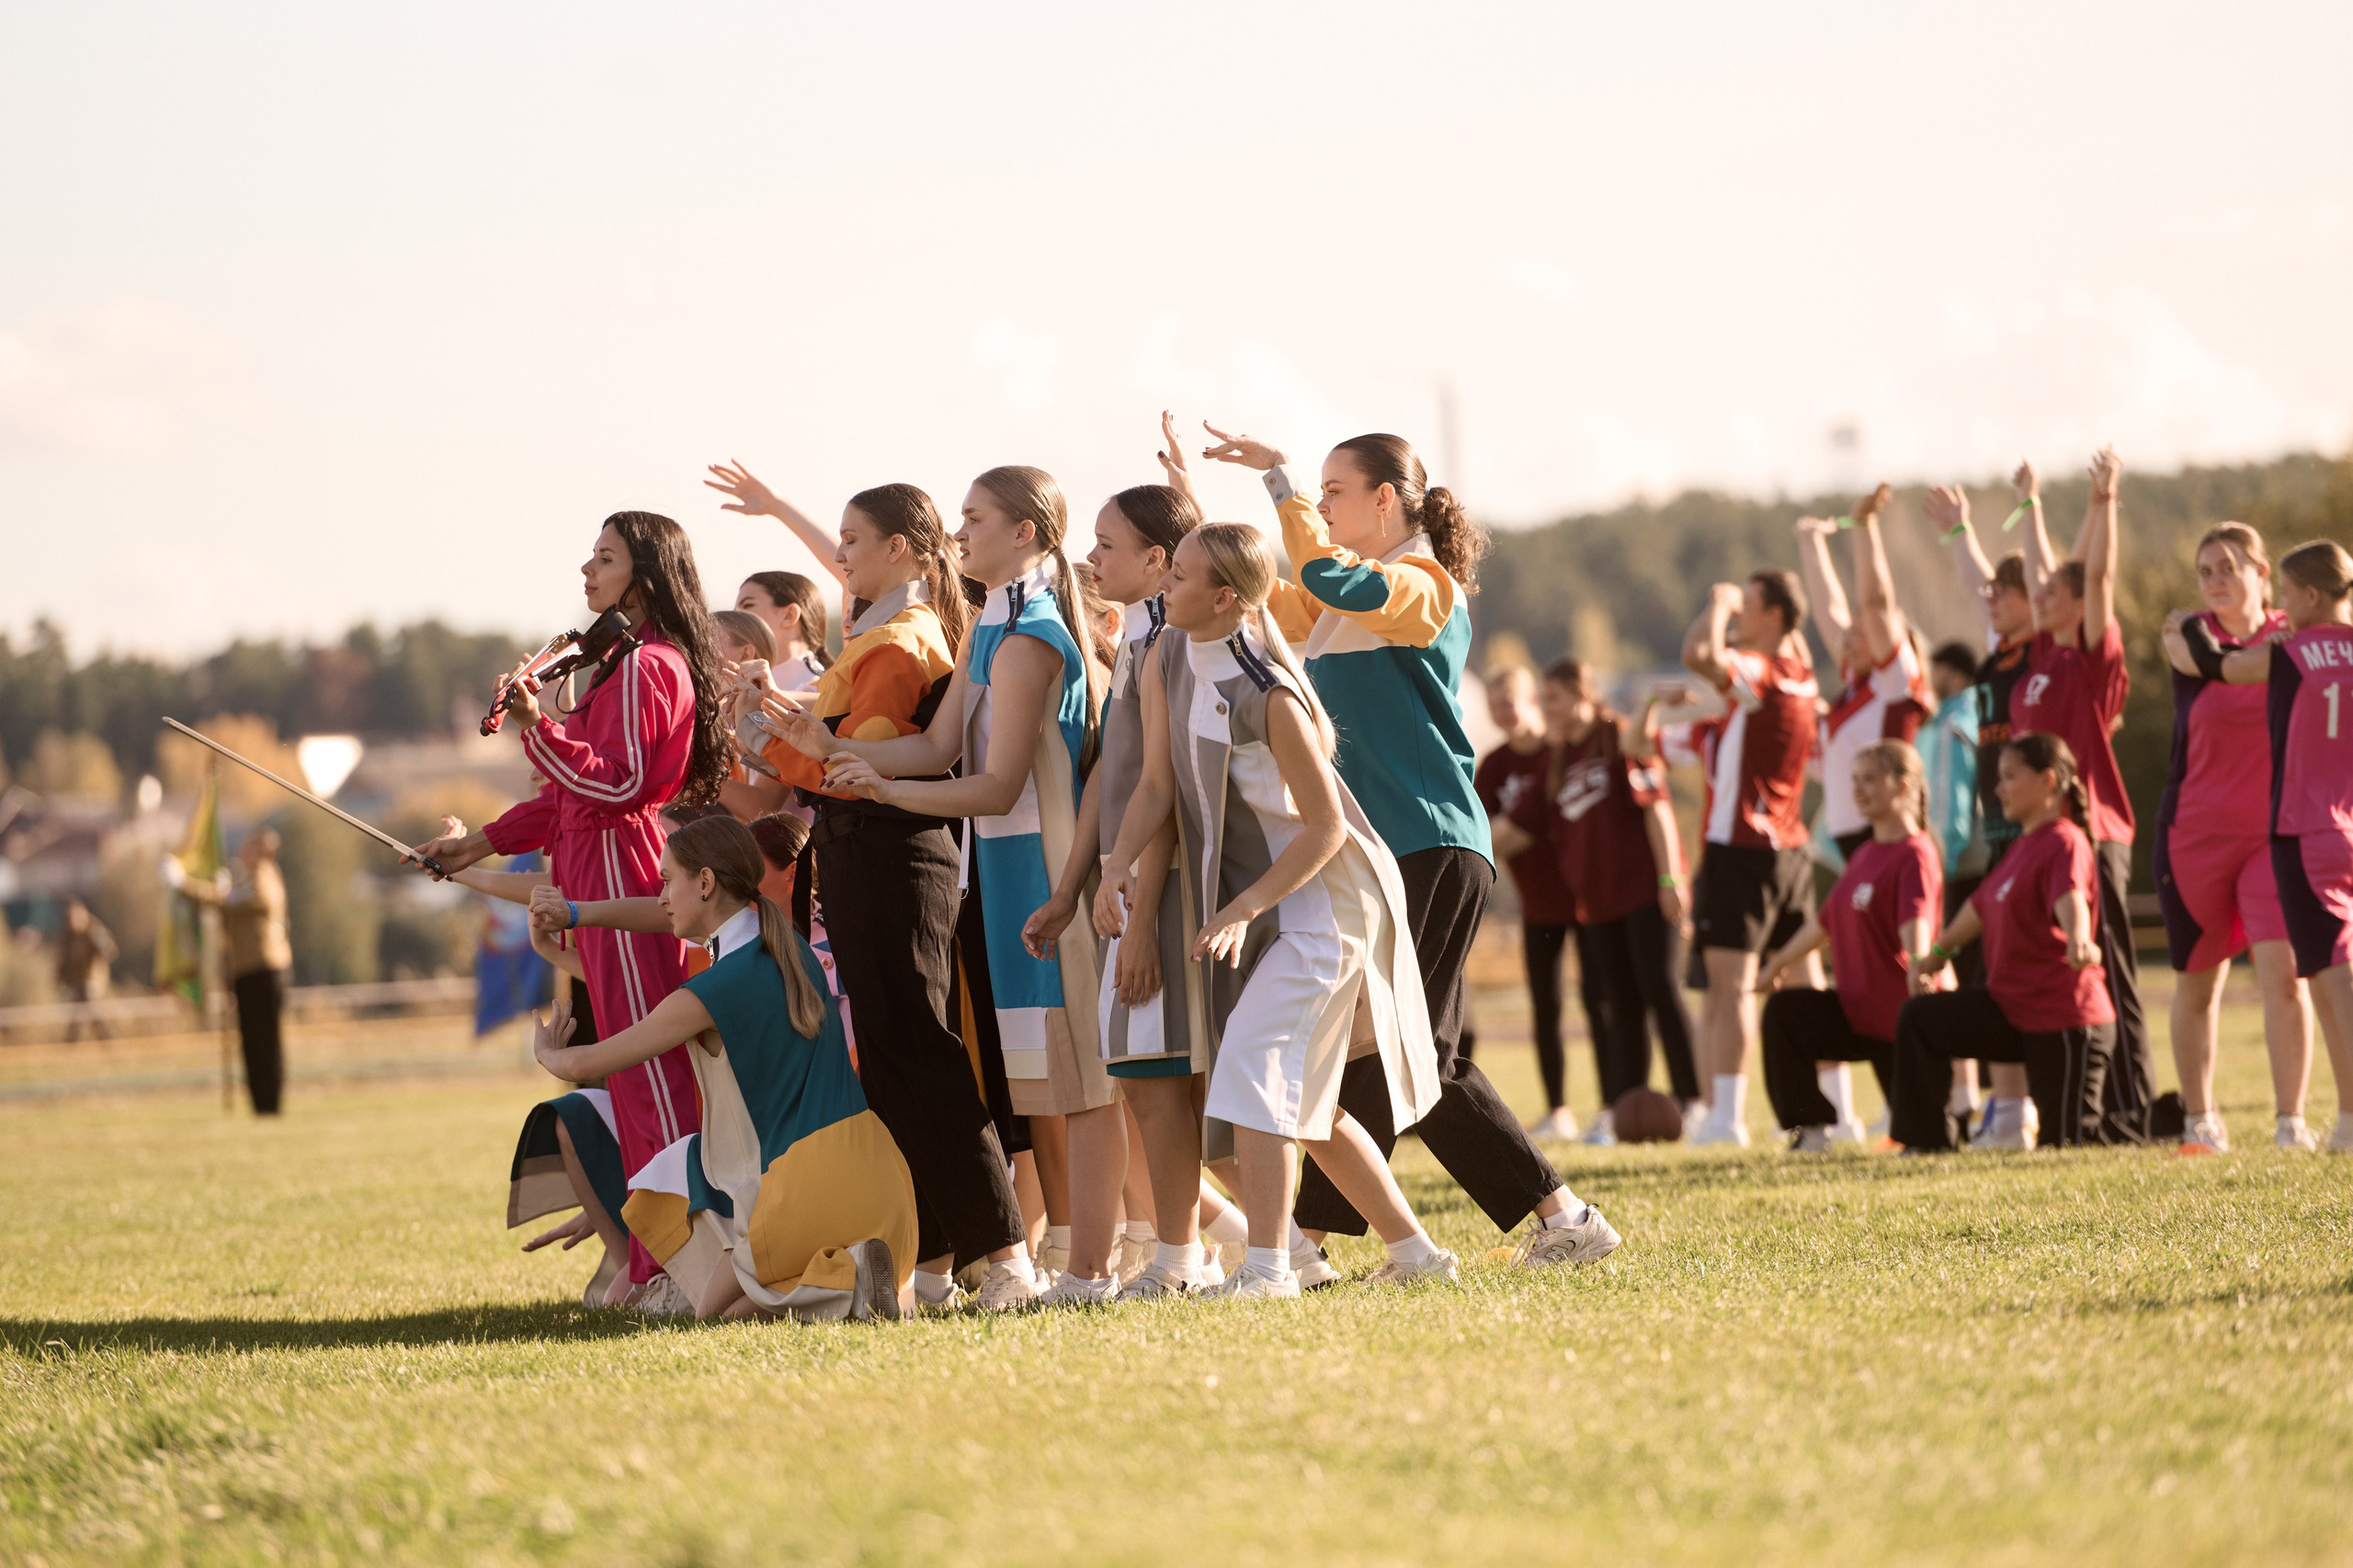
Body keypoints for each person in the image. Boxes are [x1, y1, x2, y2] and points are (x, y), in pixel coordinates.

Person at [1197, 425, 1604, 1270]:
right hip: (1391, 858)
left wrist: (1277, 483)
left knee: (1421, 1054)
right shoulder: (1353, 594)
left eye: (1333, 491)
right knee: (1395, 1053)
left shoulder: (1425, 585)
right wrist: (1193, 534)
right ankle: (1322, 1242)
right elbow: (1261, 604)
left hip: (1432, 842)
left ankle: (1556, 1218)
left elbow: (1321, 573)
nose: (1323, 506)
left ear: (1386, 501)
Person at [1095, 522, 1465, 1297]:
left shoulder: (1269, 691)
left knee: (1254, 1073)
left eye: (1183, 577)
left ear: (1225, 597)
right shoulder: (1168, 653)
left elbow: (1327, 828)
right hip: (1264, 912)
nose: (1168, 585)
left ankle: (1269, 1268)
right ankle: (1418, 1257)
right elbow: (1156, 785)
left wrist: (1240, 909)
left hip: (1323, 912)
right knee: (1310, 1101)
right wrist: (1115, 870)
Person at [791, 464, 1120, 1309]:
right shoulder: (986, 628)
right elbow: (937, 748)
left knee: (1082, 1081)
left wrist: (883, 790)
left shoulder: (1034, 630)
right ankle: (1042, 1263)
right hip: (1002, 873)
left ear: (1027, 535)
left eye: (975, 519)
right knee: (1040, 1077)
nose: (960, 533)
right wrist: (826, 749)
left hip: (1049, 867)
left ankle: (1089, 1267)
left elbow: (996, 784)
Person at [410, 510, 730, 1303]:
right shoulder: (616, 666)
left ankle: (679, 1268)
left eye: (606, 559)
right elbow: (566, 802)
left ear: (646, 576)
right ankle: (659, 1262)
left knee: (651, 1072)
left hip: (623, 869)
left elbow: (618, 786)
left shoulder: (653, 665)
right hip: (595, 864)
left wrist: (537, 726)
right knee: (629, 1070)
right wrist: (476, 845)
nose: (587, 573)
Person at [753, 479, 1038, 1312]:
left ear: (899, 550)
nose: (838, 553)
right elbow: (840, 756)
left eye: (851, 538)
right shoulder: (874, 634)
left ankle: (1007, 1256)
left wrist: (779, 743)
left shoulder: (900, 640)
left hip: (893, 856)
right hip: (861, 857)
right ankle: (942, 1258)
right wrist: (778, 734)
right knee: (889, 1060)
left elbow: (857, 768)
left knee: (921, 1053)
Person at [527, 816, 916, 1322]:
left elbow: (594, 1058)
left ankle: (847, 1282)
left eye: (667, 880)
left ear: (706, 883)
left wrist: (548, 1054)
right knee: (733, 1296)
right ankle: (838, 1275)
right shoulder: (788, 945)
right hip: (879, 1181)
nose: (661, 895)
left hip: (804, 1191)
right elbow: (664, 916)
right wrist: (577, 915)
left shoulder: (715, 989)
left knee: (707, 1310)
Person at [1023, 459, 1218, 1299]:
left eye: (1107, 545)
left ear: (1157, 559)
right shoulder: (1135, 636)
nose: (1089, 558)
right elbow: (1111, 775)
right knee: (1143, 1080)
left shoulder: (1170, 644)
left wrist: (1136, 912)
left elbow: (1165, 791)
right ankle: (1186, 1251)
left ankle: (1185, 1257)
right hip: (1122, 884)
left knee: (1165, 1077)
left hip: (1160, 886)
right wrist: (1073, 884)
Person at [2006, 448, 2159, 1142]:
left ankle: (2135, 1108)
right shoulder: (2041, 658)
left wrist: (2103, 503)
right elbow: (2053, 570)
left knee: (2110, 970)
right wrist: (2033, 505)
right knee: (2071, 968)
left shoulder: (2092, 655)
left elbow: (2094, 573)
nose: (2038, 594)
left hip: (2093, 831)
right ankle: (2093, 1110)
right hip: (2045, 838)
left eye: (2049, 593)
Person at [2184, 538, 2353, 1152]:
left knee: (2334, 977)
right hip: (2347, 827)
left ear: (2310, 596)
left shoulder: (2292, 652)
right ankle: (2339, 1123)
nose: (2281, 606)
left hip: (2302, 828)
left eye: (2285, 593)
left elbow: (2218, 667)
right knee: (2319, 973)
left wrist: (2187, 627)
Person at [2155, 524, 2317, 1151]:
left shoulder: (2297, 630)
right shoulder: (2185, 630)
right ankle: (2201, 1121)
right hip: (2192, 834)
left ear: (2260, 570)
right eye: (2205, 569)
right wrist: (2280, 651)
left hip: (2272, 833)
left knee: (2284, 975)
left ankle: (2291, 1123)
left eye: (2228, 565)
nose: (2216, 578)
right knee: (2200, 983)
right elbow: (2214, 667)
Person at [1893, 734, 2117, 1150]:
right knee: (1920, 1018)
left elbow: (2070, 897)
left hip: (2064, 1021)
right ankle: (1925, 1142)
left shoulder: (2064, 839)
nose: (1998, 789)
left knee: (2066, 1146)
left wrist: (2079, 939)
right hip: (2011, 1011)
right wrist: (1935, 956)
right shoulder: (2020, 847)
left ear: (2049, 781)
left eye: (2010, 777)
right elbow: (1978, 908)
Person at [1528, 660, 1699, 1142]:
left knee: (1661, 989)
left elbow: (1658, 809)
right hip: (1598, 903)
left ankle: (1694, 1100)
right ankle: (1626, 1105)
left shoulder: (1619, 738)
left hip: (1645, 891)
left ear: (1583, 694)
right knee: (1620, 1005)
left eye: (1554, 698)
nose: (1547, 709)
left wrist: (1671, 878)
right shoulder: (1562, 756)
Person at [1677, 569, 1820, 1146]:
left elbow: (1698, 652)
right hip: (1790, 847)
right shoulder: (1803, 676)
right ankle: (1828, 1112)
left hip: (1742, 847)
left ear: (1778, 617)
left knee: (1729, 987)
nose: (1740, 617)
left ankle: (1727, 1119)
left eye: (1751, 607)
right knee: (1802, 980)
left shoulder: (1764, 673)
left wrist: (1717, 600)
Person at [1923, 475, 2041, 1144]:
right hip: (2002, 841)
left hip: (2042, 835)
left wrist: (2031, 511)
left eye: (2009, 593)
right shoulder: (1998, 660)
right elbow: (1981, 593)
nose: (1991, 602)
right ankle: (2007, 1108)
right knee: (1997, 972)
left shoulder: (2048, 652)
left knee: (2028, 971)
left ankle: (2049, 1105)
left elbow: (2053, 585)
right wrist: (1960, 533)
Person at [1756, 741, 1944, 1149]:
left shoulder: (1915, 852)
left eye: (1870, 780)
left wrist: (1918, 965)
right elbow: (1822, 924)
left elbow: (1918, 919)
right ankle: (1813, 1131)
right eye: (1855, 780)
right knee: (1784, 1013)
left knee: (1927, 1141)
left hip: (1903, 1021)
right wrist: (1777, 966)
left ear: (1902, 787)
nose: (1858, 789)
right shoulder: (1864, 855)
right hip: (1858, 1015)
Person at [1474, 664, 1585, 1141]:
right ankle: (1559, 1110)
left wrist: (1507, 836)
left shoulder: (1556, 754)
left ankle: (1617, 1105)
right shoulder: (1495, 765)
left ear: (1531, 702)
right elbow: (1480, 835)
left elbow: (1524, 828)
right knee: (1546, 1007)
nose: (1502, 712)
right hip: (1538, 904)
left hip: (1585, 898)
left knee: (1603, 1001)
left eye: (1510, 702)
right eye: (1495, 704)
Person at [1790, 483, 1930, 860]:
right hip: (1852, 839)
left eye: (1860, 635)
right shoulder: (1858, 684)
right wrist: (1811, 542)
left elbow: (1876, 604)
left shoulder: (1894, 683)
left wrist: (1863, 524)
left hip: (1885, 833)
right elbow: (1829, 610)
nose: (1848, 642)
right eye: (1848, 636)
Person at [172, 828, 291, 1115]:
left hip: (261, 970)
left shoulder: (261, 877)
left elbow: (227, 902)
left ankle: (269, 1104)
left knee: (264, 1042)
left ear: (260, 852)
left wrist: (184, 885)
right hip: (247, 970)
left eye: (248, 848)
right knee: (252, 1042)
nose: (242, 853)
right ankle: (261, 1104)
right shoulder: (251, 878)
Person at [734, 572, 832, 692]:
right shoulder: (742, 684)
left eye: (748, 605)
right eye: (735, 611)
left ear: (789, 615)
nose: (736, 618)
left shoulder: (824, 689)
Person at [54, 897, 118, 1042]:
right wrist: (59, 980)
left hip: (93, 979)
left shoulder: (94, 931)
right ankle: (105, 1039)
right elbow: (63, 961)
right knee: (85, 1009)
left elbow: (109, 951)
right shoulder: (68, 937)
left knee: (85, 1003)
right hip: (75, 981)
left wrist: (94, 937)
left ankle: (73, 1041)